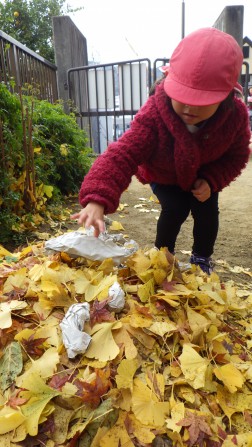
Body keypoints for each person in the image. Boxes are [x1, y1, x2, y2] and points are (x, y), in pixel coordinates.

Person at [72, 28, 251, 274]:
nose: (189, 106)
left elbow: (238, 155)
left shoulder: (235, 117)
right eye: (183, 94)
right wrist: (96, 198)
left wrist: (213, 179)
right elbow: (123, 153)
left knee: (207, 209)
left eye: (201, 99)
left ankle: (201, 258)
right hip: (163, 174)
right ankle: (161, 256)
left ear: (227, 96)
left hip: (205, 175)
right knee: (176, 207)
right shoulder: (155, 112)